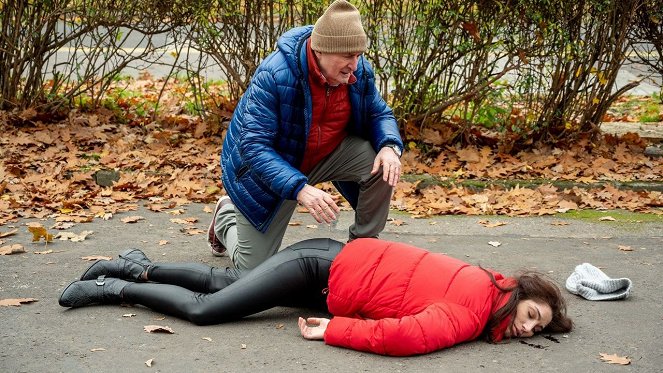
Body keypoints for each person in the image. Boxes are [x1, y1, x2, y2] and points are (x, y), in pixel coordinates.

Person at [59, 238, 573, 356]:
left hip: (330, 269)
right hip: (319, 271)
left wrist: (336, 316)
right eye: (532, 315)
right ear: (519, 292)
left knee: (224, 285)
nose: (529, 327)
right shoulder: (471, 311)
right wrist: (336, 329)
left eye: (538, 328)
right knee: (207, 309)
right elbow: (406, 338)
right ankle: (115, 287)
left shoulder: (490, 283)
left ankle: (133, 263)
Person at [208, 0, 404, 269]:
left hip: (328, 153)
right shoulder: (275, 74)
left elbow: (379, 114)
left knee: (382, 163)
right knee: (251, 271)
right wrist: (298, 187)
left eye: (358, 55)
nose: (354, 65)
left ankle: (362, 248)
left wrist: (390, 146)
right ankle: (225, 217)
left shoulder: (358, 70)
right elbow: (253, 146)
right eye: (348, 56)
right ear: (320, 50)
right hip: (273, 165)